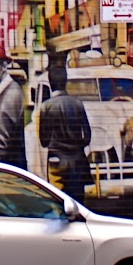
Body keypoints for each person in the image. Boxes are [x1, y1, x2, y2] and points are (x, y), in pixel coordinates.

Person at [36, 60, 93, 201]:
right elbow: (87, 135)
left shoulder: (45, 107)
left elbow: (44, 140)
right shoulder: (78, 104)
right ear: (66, 81)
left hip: (56, 160)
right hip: (78, 160)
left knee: (59, 201)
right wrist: (77, 145)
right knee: (79, 202)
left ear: (50, 83)